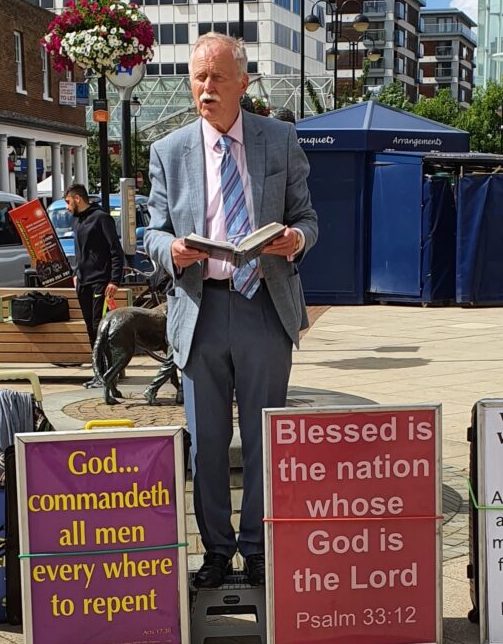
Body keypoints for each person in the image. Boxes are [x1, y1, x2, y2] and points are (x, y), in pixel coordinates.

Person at [144, 32, 318, 589]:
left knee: (265, 439)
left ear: (243, 82)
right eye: (198, 78)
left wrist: (295, 239)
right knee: (207, 443)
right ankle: (216, 552)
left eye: (217, 77)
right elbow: (151, 231)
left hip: (263, 305)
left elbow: (307, 218)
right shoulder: (169, 150)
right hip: (200, 307)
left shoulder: (279, 139)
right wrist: (169, 249)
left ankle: (258, 547)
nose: (206, 88)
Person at [64, 184, 125, 388]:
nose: (67, 207)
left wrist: (114, 280)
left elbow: (115, 250)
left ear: (78, 199)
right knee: (90, 327)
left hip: (101, 281)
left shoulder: (101, 218)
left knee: (100, 327)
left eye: (68, 202)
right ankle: (98, 373)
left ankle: (109, 373)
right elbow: (80, 252)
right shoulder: (77, 221)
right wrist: (75, 273)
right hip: (83, 282)